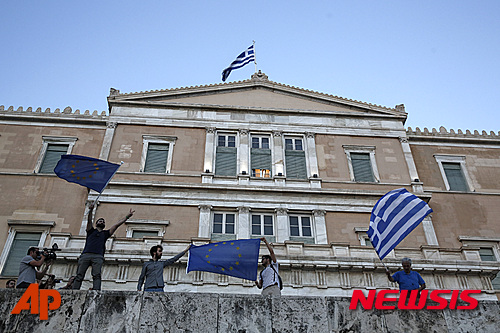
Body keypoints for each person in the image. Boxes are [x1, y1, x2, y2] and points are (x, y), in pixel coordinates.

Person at [72, 201, 135, 290]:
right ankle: (74, 291)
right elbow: (89, 221)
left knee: (97, 275)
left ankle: (96, 290)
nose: (101, 222)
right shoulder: (91, 231)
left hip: (98, 256)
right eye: (100, 221)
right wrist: (90, 210)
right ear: (96, 223)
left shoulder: (105, 233)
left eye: (103, 221)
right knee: (79, 275)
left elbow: (116, 225)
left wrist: (127, 217)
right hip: (86, 254)